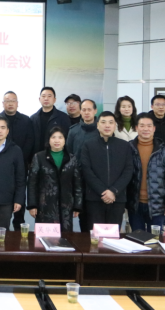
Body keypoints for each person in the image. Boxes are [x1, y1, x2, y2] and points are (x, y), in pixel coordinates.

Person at [80, 112, 133, 228]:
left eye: (110, 122)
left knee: (113, 234)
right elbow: (86, 170)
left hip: (117, 198)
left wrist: (113, 191)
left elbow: (128, 170)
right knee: (95, 234)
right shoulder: (88, 145)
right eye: (103, 122)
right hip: (94, 198)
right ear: (97, 125)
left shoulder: (125, 146)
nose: (107, 125)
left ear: (115, 126)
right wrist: (103, 191)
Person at [127, 113, 165, 233]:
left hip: (157, 205)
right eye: (142, 125)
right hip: (135, 204)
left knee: (155, 240)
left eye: (149, 126)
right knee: (136, 238)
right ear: (136, 128)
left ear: (154, 128)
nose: (146, 129)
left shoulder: (164, 151)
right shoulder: (128, 148)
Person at [27, 127, 82, 232]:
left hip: (66, 206)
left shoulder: (72, 159)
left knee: (66, 237)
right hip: (45, 206)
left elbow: (77, 184)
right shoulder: (39, 157)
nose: (57, 140)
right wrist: (32, 205)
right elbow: (32, 183)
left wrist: (77, 206)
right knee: (45, 236)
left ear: (65, 140)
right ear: (49, 140)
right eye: (53, 137)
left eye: (60, 137)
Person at [0, 91, 34, 230]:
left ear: (17, 103)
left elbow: (30, 141)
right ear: (3, 103)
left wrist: (19, 158)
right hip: (1, 166)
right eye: (7, 101)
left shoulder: (26, 120)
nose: (10, 103)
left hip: (21, 165)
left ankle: (18, 225)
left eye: (13, 100)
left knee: (20, 195)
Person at [65, 98, 98, 231]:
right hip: (78, 179)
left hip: (96, 180)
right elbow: (69, 154)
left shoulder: (101, 130)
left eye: (89, 109)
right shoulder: (73, 131)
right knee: (82, 216)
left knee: (95, 217)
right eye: (84, 110)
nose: (86, 112)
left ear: (95, 111)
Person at [31, 87, 71, 155]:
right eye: (43, 96)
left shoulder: (63, 117)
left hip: (57, 155)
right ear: (39, 99)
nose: (46, 98)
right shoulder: (33, 118)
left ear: (54, 100)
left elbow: (67, 139)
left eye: (49, 96)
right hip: (37, 156)